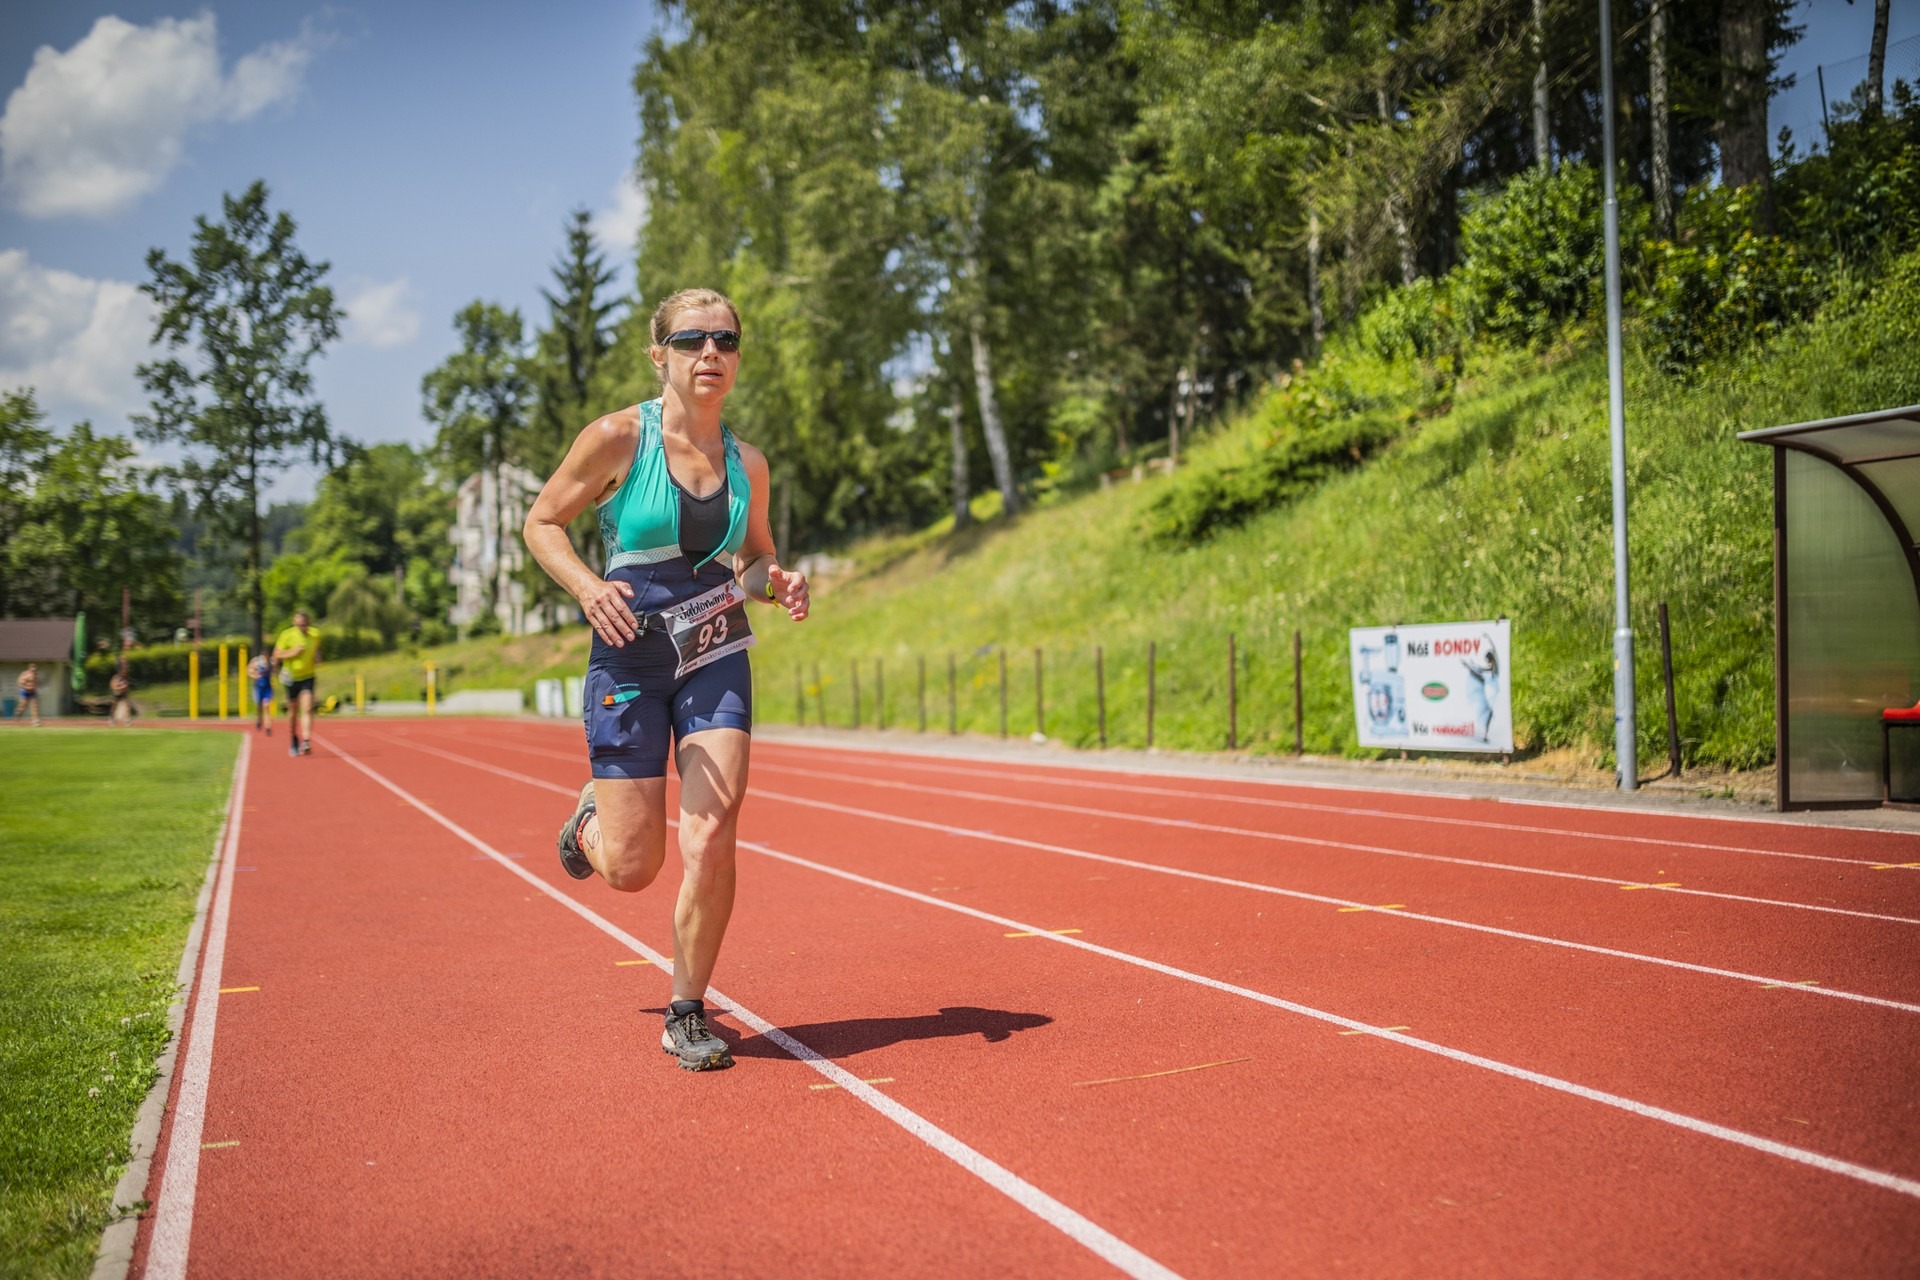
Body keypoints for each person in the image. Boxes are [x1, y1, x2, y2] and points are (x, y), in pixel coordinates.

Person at [523, 287, 810, 1072]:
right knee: (631, 868)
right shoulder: (617, 438)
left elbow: (752, 558)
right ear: (660, 355)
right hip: (631, 658)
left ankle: (687, 1010)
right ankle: (589, 821)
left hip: (715, 652)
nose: (710, 351)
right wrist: (588, 587)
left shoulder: (749, 463)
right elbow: (542, 523)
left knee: (713, 833)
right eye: (691, 339)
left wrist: (776, 580)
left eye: (725, 339)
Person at [272, 609, 320, 756]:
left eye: (304, 625)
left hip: (308, 676)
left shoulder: (315, 635)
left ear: (308, 623)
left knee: (307, 707)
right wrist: (292, 652)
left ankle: (306, 741)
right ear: (294, 623)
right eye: (299, 625)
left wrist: (317, 657)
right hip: (291, 678)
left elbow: (317, 650)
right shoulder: (286, 635)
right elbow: (276, 655)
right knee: (293, 712)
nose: (302, 627)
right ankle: (293, 738)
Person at [248, 652, 275, 735]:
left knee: (266, 706)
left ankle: (268, 727)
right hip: (258, 688)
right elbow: (249, 670)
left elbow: (274, 672)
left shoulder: (272, 662)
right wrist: (255, 675)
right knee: (259, 707)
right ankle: (259, 719)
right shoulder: (256, 661)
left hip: (267, 688)